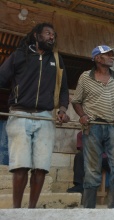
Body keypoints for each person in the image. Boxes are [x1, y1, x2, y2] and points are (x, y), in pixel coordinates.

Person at [0, 23, 70, 208]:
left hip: (45, 116)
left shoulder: (57, 59)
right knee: (21, 166)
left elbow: (63, 90)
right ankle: (17, 211)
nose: (51, 37)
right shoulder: (19, 55)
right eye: (47, 33)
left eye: (53, 35)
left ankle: (32, 211)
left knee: (41, 168)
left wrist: (62, 110)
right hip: (20, 114)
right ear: (36, 35)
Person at [71, 45, 114, 208]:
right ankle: (89, 210)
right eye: (107, 55)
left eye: (112, 54)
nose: (112, 57)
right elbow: (76, 101)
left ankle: (113, 208)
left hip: (112, 127)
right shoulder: (85, 77)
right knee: (92, 168)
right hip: (92, 126)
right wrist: (83, 116)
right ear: (97, 58)